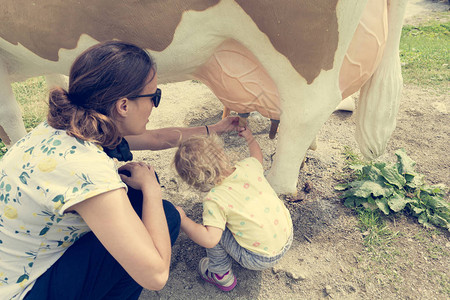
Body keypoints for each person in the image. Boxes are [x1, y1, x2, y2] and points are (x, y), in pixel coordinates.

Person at [0, 40, 239, 300]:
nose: (154, 105)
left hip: (15, 265)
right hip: (22, 291)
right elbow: (156, 276)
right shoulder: (86, 169)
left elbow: (156, 139)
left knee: (135, 190)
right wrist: (152, 189)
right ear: (123, 106)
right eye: (154, 97)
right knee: (166, 216)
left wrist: (214, 128)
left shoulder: (71, 125)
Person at [174, 126, 293, 292]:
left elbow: (210, 239)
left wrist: (183, 220)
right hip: (287, 236)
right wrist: (250, 138)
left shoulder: (214, 199)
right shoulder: (248, 166)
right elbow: (257, 156)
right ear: (222, 153)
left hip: (259, 259)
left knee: (213, 229)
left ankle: (220, 274)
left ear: (193, 181)